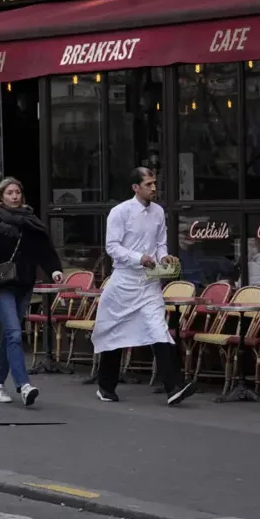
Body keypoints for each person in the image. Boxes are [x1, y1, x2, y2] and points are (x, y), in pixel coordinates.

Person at [92, 167, 196, 405]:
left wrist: (164, 258)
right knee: (114, 333)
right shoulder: (120, 212)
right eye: (148, 184)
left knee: (158, 329)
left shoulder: (159, 212)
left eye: (154, 183)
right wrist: (140, 258)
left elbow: (160, 244)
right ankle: (105, 387)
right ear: (135, 187)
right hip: (123, 282)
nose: (153, 188)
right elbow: (112, 247)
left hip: (149, 283)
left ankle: (173, 388)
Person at [0, 178, 64, 407]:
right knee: (15, 333)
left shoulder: (31, 222)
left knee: (9, 335)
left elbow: (45, 249)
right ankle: (24, 385)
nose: (14, 196)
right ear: (0, 197)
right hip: (0, 286)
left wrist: (55, 270)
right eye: (9, 193)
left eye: (17, 192)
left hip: (24, 284)